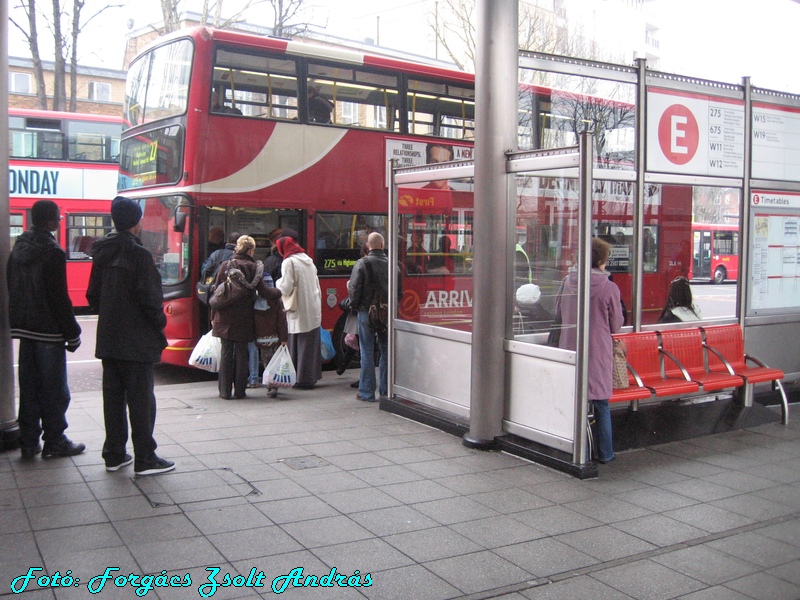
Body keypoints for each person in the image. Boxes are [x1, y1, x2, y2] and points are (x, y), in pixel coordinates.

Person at [87, 196, 174, 476]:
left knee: (113, 399)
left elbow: (92, 297)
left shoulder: (102, 252)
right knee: (141, 400)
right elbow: (150, 300)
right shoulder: (140, 254)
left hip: (109, 339)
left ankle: (114, 454)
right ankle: (145, 458)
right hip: (136, 341)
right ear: (137, 222)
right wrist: (159, 324)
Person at [7, 200, 85, 460]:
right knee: (54, 390)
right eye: (59, 218)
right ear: (51, 221)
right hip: (48, 331)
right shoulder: (53, 251)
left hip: (24, 328)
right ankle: (55, 440)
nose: (60, 221)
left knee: (29, 387)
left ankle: (29, 442)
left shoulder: (19, 246)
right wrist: (72, 332)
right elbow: (58, 298)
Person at [558, 237, 624, 464]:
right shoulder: (609, 287)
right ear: (602, 260)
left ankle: (578, 452)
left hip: (569, 349)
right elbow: (616, 324)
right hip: (597, 352)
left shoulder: (567, 282)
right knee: (601, 404)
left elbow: (559, 314)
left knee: (573, 401)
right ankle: (605, 453)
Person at [210, 235, 271, 400]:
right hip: (244, 317)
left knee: (226, 352)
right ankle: (240, 391)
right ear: (251, 250)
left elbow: (217, 291)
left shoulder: (226, 265)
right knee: (242, 353)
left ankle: (224, 391)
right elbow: (265, 291)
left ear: (237, 248)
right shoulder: (254, 268)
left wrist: (213, 316)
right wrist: (279, 293)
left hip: (224, 316)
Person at [348, 232, 397, 402]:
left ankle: (366, 392)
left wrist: (354, 305)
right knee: (386, 352)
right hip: (386, 314)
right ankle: (385, 391)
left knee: (366, 352)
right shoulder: (393, 265)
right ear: (382, 245)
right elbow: (399, 293)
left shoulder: (362, 264)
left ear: (368, 246)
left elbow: (354, 290)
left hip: (366, 312)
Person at [275, 235, 323, 389]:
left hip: (299, 308)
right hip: (313, 307)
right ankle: (310, 377)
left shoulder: (288, 262)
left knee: (298, 343)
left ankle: (300, 378)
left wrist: (276, 283)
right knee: (309, 344)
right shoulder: (307, 259)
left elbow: (286, 287)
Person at [254, 270, 289, 398]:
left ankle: (269, 384)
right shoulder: (277, 301)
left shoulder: (255, 302)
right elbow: (282, 322)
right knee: (275, 363)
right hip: (275, 338)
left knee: (266, 362)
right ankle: (273, 386)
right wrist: (284, 338)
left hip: (261, 339)